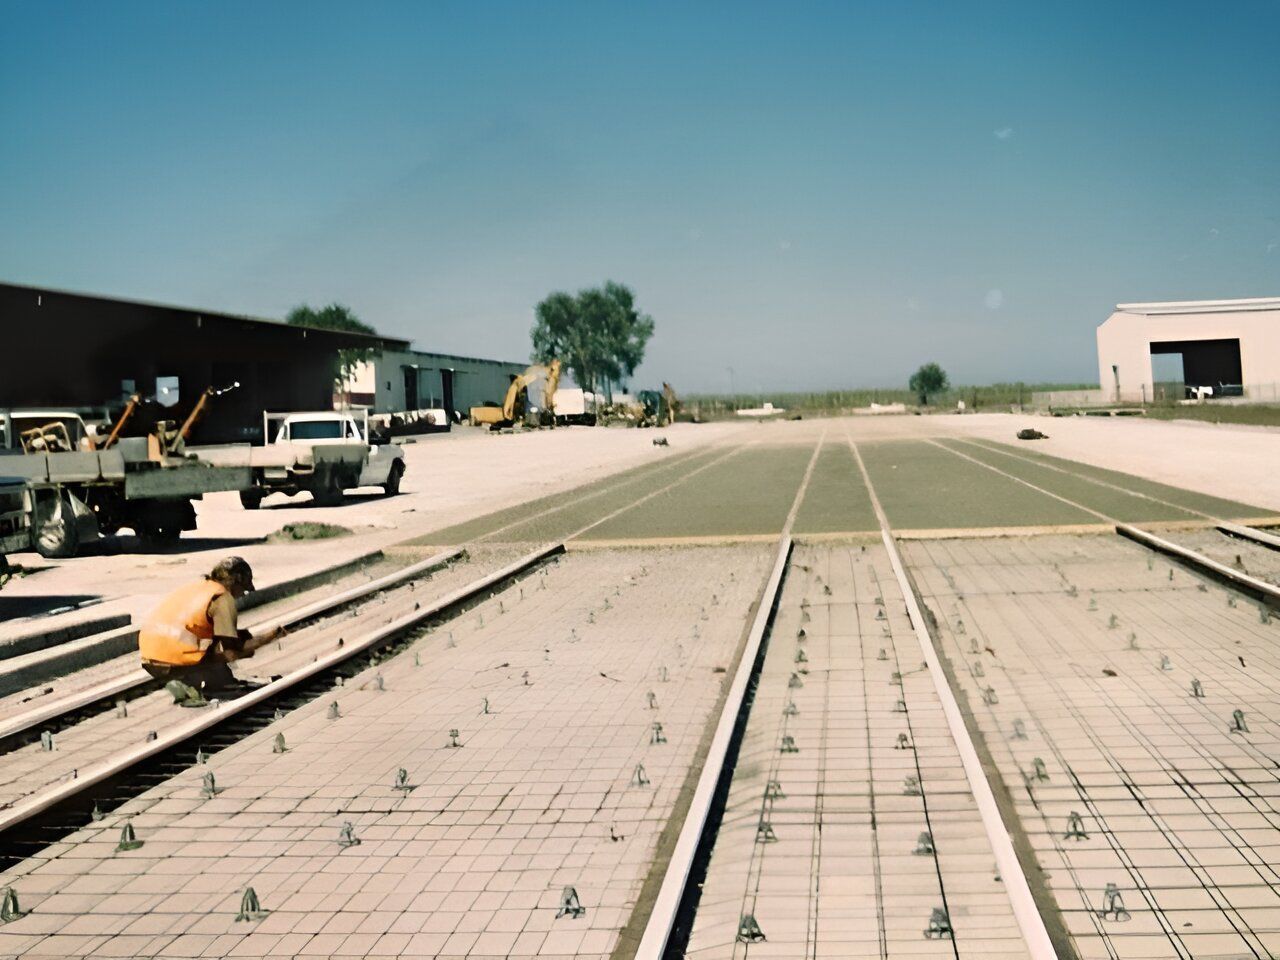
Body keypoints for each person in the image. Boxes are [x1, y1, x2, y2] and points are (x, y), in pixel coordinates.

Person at [138, 556, 283, 701]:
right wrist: (269, 637)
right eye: (245, 588)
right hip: (171, 662)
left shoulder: (201, 587)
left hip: (149, 655)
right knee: (230, 649)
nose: (245, 593)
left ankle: (203, 679)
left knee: (220, 643)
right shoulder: (222, 599)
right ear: (237, 579)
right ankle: (187, 683)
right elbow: (231, 653)